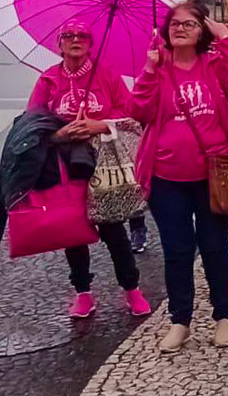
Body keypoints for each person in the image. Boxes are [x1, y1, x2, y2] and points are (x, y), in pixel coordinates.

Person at [132, 2, 228, 353]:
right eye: (174, 23)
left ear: (202, 30)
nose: (180, 28)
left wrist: (227, 39)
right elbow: (137, 110)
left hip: (214, 177)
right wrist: (149, 69)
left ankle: (224, 317)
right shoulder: (159, 65)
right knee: (177, 250)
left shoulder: (215, 63)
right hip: (166, 178)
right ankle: (180, 320)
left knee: (215, 247)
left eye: (189, 23)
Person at [26, 20, 151, 319]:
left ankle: (131, 288)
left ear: (91, 44)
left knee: (113, 229)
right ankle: (83, 291)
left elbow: (131, 116)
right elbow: (30, 125)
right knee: (73, 232)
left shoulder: (106, 75)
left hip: (104, 165)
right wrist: (60, 134)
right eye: (68, 35)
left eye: (82, 36)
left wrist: (99, 125)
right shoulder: (48, 80)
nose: (75, 40)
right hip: (63, 168)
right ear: (59, 44)